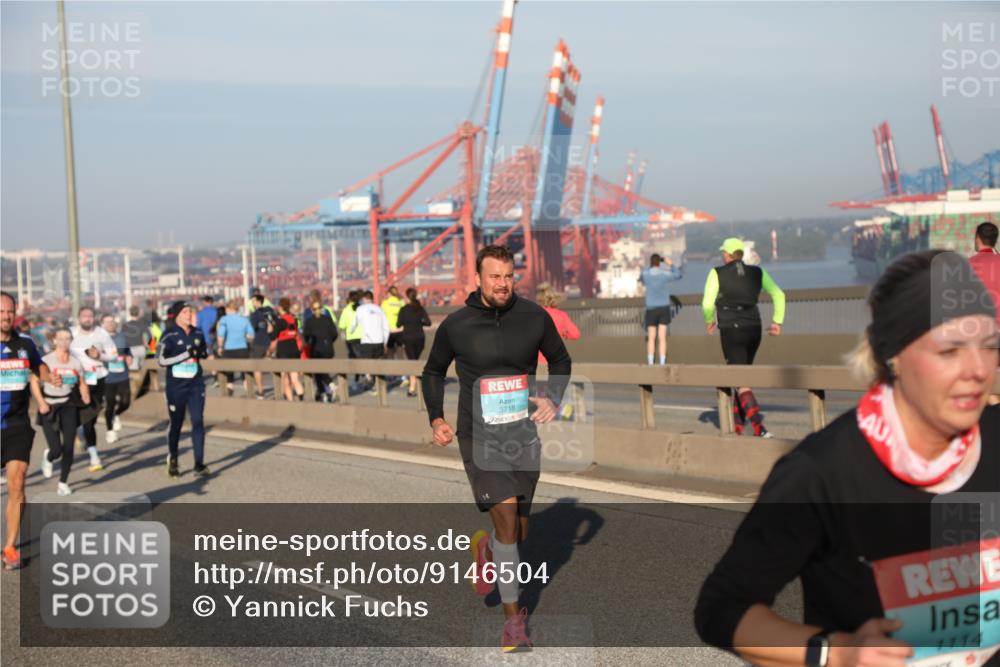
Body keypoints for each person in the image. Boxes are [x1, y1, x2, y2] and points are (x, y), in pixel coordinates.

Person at [695, 250, 999, 667]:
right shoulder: (822, 472)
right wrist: (836, 652)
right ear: (892, 355)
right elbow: (721, 611)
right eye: (949, 351)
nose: (978, 369)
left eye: (990, 346)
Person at [422, 245, 572, 652]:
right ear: (478, 279)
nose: (503, 284)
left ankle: (487, 547)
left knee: (518, 531)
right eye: (495, 277)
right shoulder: (457, 324)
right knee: (507, 517)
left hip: (521, 434)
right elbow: (432, 371)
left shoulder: (533, 317)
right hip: (478, 435)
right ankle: (514, 623)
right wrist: (437, 418)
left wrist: (551, 398)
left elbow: (560, 360)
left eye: (508, 276)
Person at [702, 238, 786, 438]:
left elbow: (707, 303)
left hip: (732, 330)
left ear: (727, 254)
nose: (722, 255)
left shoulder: (716, 273)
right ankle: (738, 427)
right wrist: (777, 322)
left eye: (724, 252)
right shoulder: (757, 272)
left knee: (740, 380)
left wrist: (709, 320)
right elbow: (779, 294)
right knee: (742, 376)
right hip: (754, 328)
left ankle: (759, 427)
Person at [1, 291, 49, 570]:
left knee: (17, 483)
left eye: (10, 311)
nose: (6, 316)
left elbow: (39, 367)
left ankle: (9, 547)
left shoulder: (25, 343)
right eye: (1, 312)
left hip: (17, 424)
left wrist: (48, 376)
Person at [157, 301, 212, 478]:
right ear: (177, 315)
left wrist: (202, 353)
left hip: (195, 385)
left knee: (197, 421)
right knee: (177, 424)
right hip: (176, 387)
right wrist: (184, 355)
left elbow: (203, 351)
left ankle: (199, 464)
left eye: (190, 312)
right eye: (185, 312)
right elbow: (161, 361)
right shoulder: (169, 335)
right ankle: (173, 458)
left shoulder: (197, 332)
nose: (189, 315)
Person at [39, 326, 91, 496]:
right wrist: (41, 402)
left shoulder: (75, 362)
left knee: (69, 447)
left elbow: (82, 382)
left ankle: (63, 482)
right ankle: (49, 457)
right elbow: (34, 381)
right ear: (54, 340)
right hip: (49, 406)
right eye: (61, 339)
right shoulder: (46, 360)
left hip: (68, 405)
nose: (64, 342)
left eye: (68, 338)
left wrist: (85, 394)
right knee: (57, 450)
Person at [70, 306, 118, 471]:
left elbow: (114, 355)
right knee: (84, 418)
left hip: (97, 377)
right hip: (77, 380)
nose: (87, 319)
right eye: (84, 316)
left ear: (94, 318)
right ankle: (94, 456)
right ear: (79, 318)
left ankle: (85, 435)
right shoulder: (71, 334)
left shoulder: (101, 334)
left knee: (92, 418)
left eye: (90, 316)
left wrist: (100, 356)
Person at [536, 282, 581, 420]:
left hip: (537, 363)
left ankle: (543, 413)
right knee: (556, 389)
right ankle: (560, 410)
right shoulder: (561, 315)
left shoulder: (535, 314)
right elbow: (576, 334)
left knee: (540, 392)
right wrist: (563, 333)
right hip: (554, 363)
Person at [639, 253, 683, 365]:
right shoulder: (664, 274)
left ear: (651, 262)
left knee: (651, 337)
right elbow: (678, 275)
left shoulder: (647, 274)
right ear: (659, 263)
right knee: (662, 337)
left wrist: (651, 266)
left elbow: (641, 277)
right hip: (664, 308)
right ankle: (662, 363)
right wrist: (670, 263)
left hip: (651, 309)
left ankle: (650, 363)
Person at [100, 313, 133, 444]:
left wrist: (129, 357)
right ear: (102, 324)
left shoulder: (122, 337)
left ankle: (117, 414)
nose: (110, 324)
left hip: (122, 374)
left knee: (126, 402)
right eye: (107, 322)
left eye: (112, 321)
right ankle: (109, 431)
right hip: (107, 377)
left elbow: (127, 351)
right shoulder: (100, 339)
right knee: (110, 404)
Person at [396, 287, 432, 397]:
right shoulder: (420, 308)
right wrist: (419, 322)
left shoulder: (403, 309)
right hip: (420, 338)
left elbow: (398, 324)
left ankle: (412, 388)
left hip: (408, 338)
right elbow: (428, 323)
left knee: (412, 362)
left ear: (407, 297)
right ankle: (415, 383)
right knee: (415, 361)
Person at [216, 300, 254, 396]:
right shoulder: (244, 320)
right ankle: (249, 394)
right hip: (243, 349)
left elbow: (221, 335)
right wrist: (243, 337)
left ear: (228, 309)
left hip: (229, 350)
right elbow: (251, 335)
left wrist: (220, 347)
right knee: (245, 373)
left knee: (229, 374)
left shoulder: (224, 320)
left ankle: (229, 394)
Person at [303, 300, 338, 402]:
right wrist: (329, 342)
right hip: (328, 349)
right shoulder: (328, 319)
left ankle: (328, 388)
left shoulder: (309, 322)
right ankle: (326, 391)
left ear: (312, 310)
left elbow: (306, 336)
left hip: (316, 350)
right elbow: (334, 334)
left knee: (318, 371)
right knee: (323, 370)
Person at [274, 297, 305, 401]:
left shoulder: (280, 321)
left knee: (285, 378)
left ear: (281, 307)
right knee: (295, 378)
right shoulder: (294, 319)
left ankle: (290, 402)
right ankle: (301, 399)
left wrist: (270, 325)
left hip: (283, 349)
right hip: (294, 349)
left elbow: (272, 336)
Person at [249, 293, 278, 399]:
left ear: (258, 301)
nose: (252, 303)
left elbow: (252, 328)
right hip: (272, 341)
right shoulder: (270, 311)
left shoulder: (255, 314)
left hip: (259, 342)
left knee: (257, 367)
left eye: (253, 301)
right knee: (275, 366)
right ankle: (280, 389)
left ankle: (261, 391)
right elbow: (276, 323)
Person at [338, 290, 363, 383]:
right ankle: (364, 375)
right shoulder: (362, 308)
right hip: (364, 337)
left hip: (351, 338)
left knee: (354, 358)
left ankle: (357, 378)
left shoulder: (347, 309)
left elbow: (342, 325)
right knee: (362, 357)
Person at [381, 284, 406, 359]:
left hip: (390, 330)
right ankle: (402, 368)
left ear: (389, 293)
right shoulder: (401, 302)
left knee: (390, 351)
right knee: (400, 350)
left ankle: (391, 368)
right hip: (400, 330)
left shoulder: (385, 303)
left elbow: (382, 316)